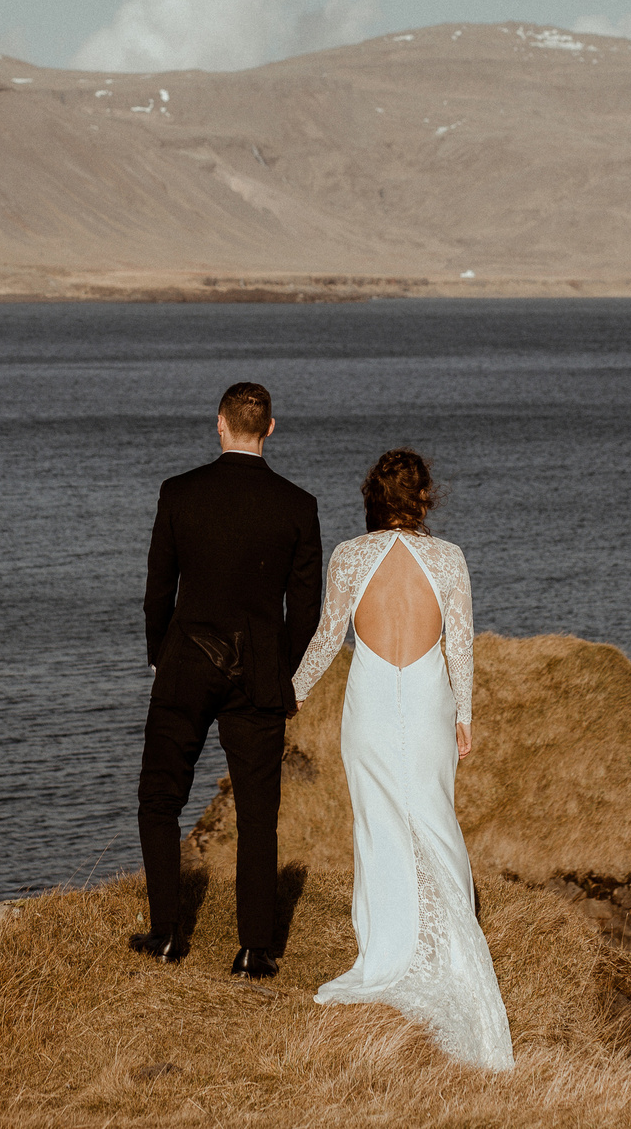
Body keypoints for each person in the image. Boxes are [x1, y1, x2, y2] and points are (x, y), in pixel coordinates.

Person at [289, 449, 514, 1070]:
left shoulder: (348, 556)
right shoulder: (448, 559)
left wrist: (294, 691)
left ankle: (388, 949)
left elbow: (327, 637)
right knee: (434, 816)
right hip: (428, 698)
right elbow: (459, 641)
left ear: (371, 496)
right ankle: (451, 939)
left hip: (369, 702)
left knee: (378, 824)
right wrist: (465, 714)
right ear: (423, 498)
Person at [131, 381, 323, 977]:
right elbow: (307, 610)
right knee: (258, 812)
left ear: (220, 425)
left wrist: (161, 653)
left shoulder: (179, 493)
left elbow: (158, 586)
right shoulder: (299, 505)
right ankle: (254, 949)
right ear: (270, 427)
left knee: (160, 797)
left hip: (185, 663)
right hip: (261, 674)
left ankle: (166, 933)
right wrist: (284, 673)